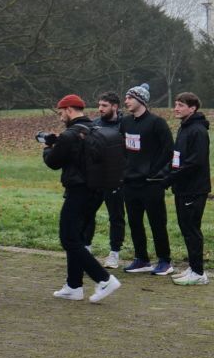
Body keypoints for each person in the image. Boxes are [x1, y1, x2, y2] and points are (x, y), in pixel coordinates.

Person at [42, 93, 121, 303]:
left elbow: (53, 162)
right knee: (77, 238)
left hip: (78, 192)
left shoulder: (69, 135)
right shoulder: (93, 129)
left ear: (69, 110)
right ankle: (73, 286)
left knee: (68, 239)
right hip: (96, 191)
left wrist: (47, 148)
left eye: (61, 112)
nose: (60, 116)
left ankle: (104, 279)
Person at [117, 84, 174, 276]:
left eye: (129, 98)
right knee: (134, 222)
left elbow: (168, 150)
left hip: (151, 184)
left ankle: (165, 260)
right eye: (126, 98)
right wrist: (124, 170)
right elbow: (122, 149)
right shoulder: (125, 122)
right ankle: (141, 259)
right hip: (130, 183)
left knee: (157, 223)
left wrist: (155, 173)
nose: (126, 101)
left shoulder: (157, 123)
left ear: (141, 100)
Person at [160, 92, 209, 285]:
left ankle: (198, 274)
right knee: (186, 228)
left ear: (192, 108)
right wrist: (164, 174)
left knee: (192, 230)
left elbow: (195, 162)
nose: (176, 108)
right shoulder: (184, 128)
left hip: (194, 189)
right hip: (182, 188)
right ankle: (193, 267)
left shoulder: (198, 131)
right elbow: (177, 158)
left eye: (181, 105)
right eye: (176, 104)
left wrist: (170, 178)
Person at [88, 92, 128, 269]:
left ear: (115, 106)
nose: (100, 109)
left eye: (104, 105)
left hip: (116, 179)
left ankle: (114, 253)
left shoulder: (124, 125)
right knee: (88, 214)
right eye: (99, 105)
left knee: (116, 216)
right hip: (96, 178)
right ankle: (86, 248)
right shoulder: (94, 124)